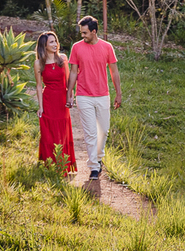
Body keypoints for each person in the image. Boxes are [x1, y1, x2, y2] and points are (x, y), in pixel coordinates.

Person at [67, 15, 122, 180]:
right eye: (81, 33)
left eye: (85, 33)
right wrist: (70, 92)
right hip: (83, 95)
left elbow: (114, 71)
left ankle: (98, 157)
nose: (82, 36)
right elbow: (74, 72)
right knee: (90, 133)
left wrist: (118, 93)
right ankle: (94, 167)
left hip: (103, 95)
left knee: (103, 131)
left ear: (94, 31)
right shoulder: (76, 48)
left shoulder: (107, 47)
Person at [34, 31, 77, 175]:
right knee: (48, 133)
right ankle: (49, 165)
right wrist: (40, 106)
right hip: (48, 100)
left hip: (61, 100)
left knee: (62, 132)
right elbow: (39, 86)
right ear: (44, 46)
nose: (55, 44)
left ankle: (62, 165)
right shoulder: (39, 63)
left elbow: (68, 80)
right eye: (51, 42)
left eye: (55, 41)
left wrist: (69, 97)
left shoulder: (63, 59)